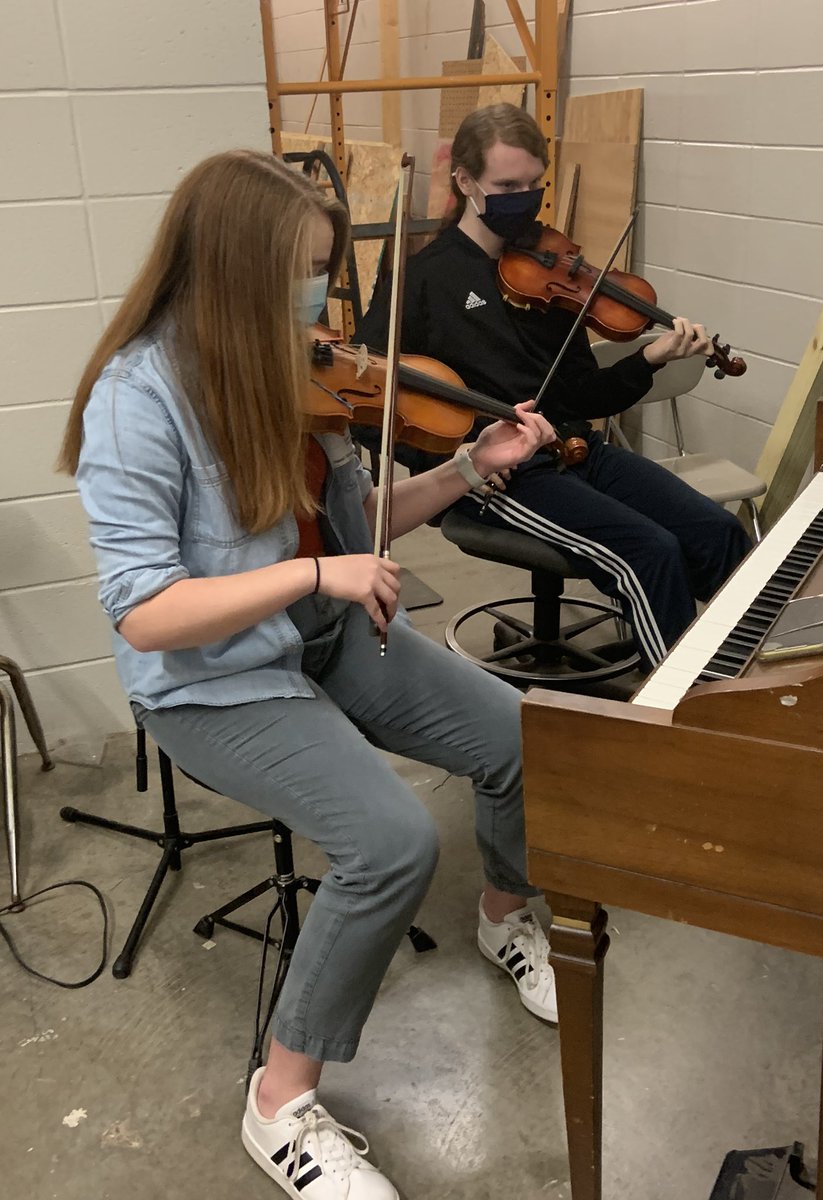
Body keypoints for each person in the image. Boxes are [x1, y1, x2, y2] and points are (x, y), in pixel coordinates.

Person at [59, 149, 557, 1200]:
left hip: (316, 632)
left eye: (327, 269)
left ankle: (507, 916)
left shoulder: (295, 369)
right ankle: (279, 1102)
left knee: (523, 737)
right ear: (232, 266)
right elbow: (147, 613)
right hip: (214, 680)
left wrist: (472, 469)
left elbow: (352, 526)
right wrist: (315, 570)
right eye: (306, 270)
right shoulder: (138, 399)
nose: (322, 297)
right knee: (390, 840)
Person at [357, 104, 752, 673]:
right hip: (492, 478)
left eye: (533, 185)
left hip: (572, 448)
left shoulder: (550, 270)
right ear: (465, 181)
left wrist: (650, 357)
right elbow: (371, 403)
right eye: (506, 185)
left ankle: (755, 678)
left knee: (716, 532)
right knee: (647, 553)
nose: (524, 198)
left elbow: (584, 397)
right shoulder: (421, 281)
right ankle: (683, 710)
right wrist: (460, 457)